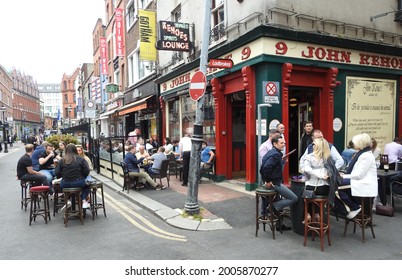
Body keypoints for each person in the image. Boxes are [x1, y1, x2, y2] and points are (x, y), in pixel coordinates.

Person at [260, 136, 298, 231]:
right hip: (275, 183)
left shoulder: (272, 152)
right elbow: (266, 168)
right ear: (275, 144)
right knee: (294, 198)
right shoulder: (276, 155)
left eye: (284, 143)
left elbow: (263, 167)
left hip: (273, 182)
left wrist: (282, 161)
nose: (284, 145)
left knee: (280, 199)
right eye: (281, 143)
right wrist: (268, 181)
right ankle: (273, 207)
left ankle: (278, 224)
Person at [337, 133, 378, 219]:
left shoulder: (366, 156)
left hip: (363, 184)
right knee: (335, 183)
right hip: (359, 181)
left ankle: (353, 208)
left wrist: (344, 176)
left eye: (355, 142)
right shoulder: (362, 153)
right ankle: (352, 207)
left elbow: (359, 175)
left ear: (360, 143)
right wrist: (344, 175)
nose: (354, 144)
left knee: (335, 186)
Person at [301, 138, 331, 222]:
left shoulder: (309, 157)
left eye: (314, 144)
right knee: (312, 196)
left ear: (318, 146)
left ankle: (307, 214)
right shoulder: (327, 157)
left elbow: (306, 169)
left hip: (312, 186)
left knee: (304, 194)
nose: (312, 145)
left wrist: (319, 174)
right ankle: (317, 213)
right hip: (325, 188)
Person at [55, 144, 91, 209]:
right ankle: (83, 201)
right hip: (78, 182)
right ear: (75, 150)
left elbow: (57, 173)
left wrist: (63, 176)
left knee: (60, 186)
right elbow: (87, 170)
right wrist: (83, 176)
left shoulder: (62, 160)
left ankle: (67, 200)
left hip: (65, 183)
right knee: (87, 186)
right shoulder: (80, 159)